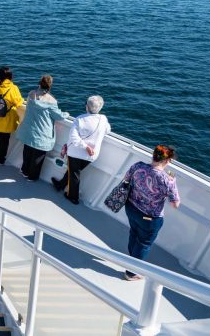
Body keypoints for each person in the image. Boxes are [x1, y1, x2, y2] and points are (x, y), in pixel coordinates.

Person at [122, 145, 181, 281]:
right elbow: (175, 204)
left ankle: (130, 260)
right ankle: (131, 273)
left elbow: (126, 179)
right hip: (150, 218)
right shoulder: (168, 180)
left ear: (154, 155)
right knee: (143, 243)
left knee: (134, 233)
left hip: (131, 208)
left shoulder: (137, 166)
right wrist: (173, 182)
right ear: (167, 161)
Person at [51, 95, 111, 204]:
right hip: (91, 156)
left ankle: (73, 197)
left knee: (75, 174)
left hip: (76, 153)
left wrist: (86, 147)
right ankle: (60, 185)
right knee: (73, 172)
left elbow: (74, 138)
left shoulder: (79, 119)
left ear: (87, 107)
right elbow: (107, 130)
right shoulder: (103, 119)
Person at [16, 75, 66, 181]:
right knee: (38, 157)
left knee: (27, 151)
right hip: (43, 133)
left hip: (29, 130)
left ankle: (24, 171)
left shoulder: (31, 94)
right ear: (50, 86)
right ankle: (32, 177)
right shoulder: (52, 101)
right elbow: (59, 116)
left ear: (40, 83)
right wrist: (66, 114)